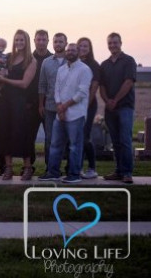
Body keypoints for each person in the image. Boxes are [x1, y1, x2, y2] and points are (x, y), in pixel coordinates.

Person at [39, 43, 92, 183]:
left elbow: (81, 93)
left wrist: (65, 106)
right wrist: (59, 107)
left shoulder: (85, 70)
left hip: (76, 114)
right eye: (68, 50)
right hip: (60, 114)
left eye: (73, 50)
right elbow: (56, 89)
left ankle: (74, 174)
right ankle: (53, 172)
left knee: (74, 146)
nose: (70, 52)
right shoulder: (61, 70)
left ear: (78, 52)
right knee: (55, 144)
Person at [0, 30, 37, 181]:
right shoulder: (9, 57)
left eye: (21, 40)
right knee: (5, 133)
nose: (19, 43)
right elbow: (2, 72)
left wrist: (4, 81)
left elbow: (25, 84)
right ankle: (8, 168)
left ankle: (27, 168)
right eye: (16, 40)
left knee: (23, 135)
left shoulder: (31, 60)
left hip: (20, 101)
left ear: (27, 42)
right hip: (5, 101)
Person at [99, 33, 136, 184]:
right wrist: (108, 101)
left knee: (125, 140)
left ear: (121, 43)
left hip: (125, 107)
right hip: (110, 109)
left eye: (115, 42)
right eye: (110, 43)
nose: (112, 45)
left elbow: (128, 82)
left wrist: (115, 100)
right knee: (115, 142)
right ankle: (118, 171)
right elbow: (101, 86)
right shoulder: (104, 64)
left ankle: (127, 173)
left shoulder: (128, 61)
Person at [38, 33, 67, 172]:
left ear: (65, 43)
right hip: (50, 107)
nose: (58, 44)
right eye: (56, 42)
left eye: (61, 42)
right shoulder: (47, 62)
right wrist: (40, 104)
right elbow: (42, 84)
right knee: (50, 139)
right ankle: (50, 168)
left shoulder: (72, 61)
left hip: (68, 108)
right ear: (52, 43)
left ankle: (68, 168)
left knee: (67, 139)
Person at [24, 29, 52, 173]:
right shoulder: (27, 58)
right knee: (29, 137)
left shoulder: (54, 59)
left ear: (48, 41)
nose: (41, 42)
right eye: (38, 39)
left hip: (50, 105)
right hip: (30, 105)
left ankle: (50, 167)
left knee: (51, 138)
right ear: (34, 41)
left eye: (44, 39)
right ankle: (29, 166)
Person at [77, 37, 100, 179]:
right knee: (76, 137)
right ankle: (77, 168)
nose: (83, 48)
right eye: (80, 46)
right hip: (75, 105)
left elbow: (94, 86)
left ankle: (92, 168)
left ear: (90, 48)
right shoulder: (74, 63)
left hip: (88, 105)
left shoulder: (94, 64)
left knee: (85, 137)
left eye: (85, 46)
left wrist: (85, 105)